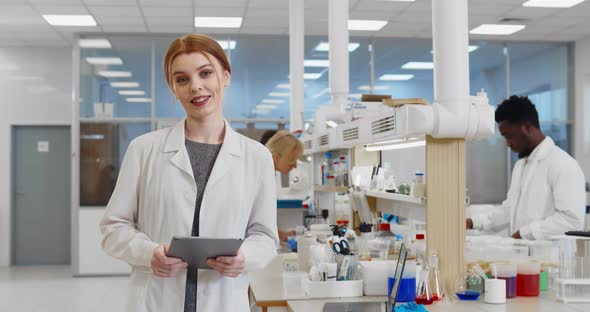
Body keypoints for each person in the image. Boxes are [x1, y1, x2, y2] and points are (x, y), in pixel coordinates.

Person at [99, 33, 279, 312]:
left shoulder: (257, 157)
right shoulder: (144, 150)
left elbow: (265, 236)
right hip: (156, 299)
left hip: (224, 299)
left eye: (205, 73)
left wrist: (245, 256)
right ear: (173, 87)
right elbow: (113, 230)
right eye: (182, 79)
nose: (195, 87)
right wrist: (149, 254)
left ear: (226, 75)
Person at [466, 95, 586, 240]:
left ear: (527, 128)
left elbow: (571, 220)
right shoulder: (521, 165)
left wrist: (525, 233)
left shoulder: (563, 164)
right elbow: (509, 210)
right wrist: (473, 222)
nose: (507, 144)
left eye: (509, 136)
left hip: (552, 259)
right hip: (524, 257)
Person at [263, 130, 304, 241]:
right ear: (276, 157)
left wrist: (282, 235)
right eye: (292, 160)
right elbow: (254, 220)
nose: (295, 165)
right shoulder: (258, 174)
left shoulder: (266, 172)